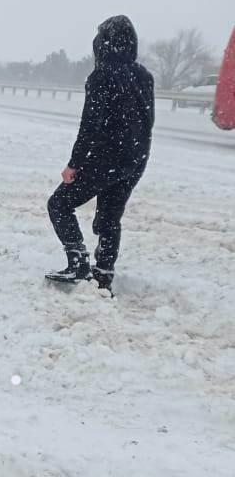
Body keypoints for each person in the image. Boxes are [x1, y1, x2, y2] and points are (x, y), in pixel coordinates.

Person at [46, 15, 154, 292]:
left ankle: (78, 263)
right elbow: (147, 122)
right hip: (135, 159)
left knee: (59, 204)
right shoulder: (144, 76)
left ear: (104, 42)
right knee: (109, 218)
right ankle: (104, 273)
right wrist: (136, 157)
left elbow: (91, 125)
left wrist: (74, 163)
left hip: (106, 157)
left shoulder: (102, 76)